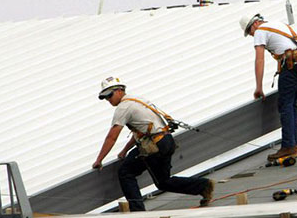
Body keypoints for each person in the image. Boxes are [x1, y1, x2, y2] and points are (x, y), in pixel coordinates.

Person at [92, 76, 214, 210]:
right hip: (166, 141)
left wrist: (99, 159)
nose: (108, 100)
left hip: (154, 146)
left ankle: (138, 212)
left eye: (110, 95)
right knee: (163, 182)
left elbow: (112, 137)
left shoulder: (123, 107)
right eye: (105, 97)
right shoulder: (138, 100)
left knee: (125, 172)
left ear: (120, 90)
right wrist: (125, 150)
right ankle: (203, 186)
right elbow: (142, 131)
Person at [240, 14, 297, 161]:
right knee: (291, 104)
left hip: (292, 63)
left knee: (285, 104)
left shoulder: (260, 31)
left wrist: (259, 87)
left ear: (253, 25)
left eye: (250, 33)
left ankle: (288, 146)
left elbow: (259, 59)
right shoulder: (278, 24)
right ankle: (294, 144)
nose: (252, 35)